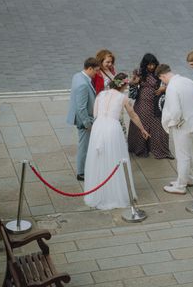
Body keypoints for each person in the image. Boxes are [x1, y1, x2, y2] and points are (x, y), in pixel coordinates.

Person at [84, 73, 147, 210]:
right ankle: (116, 193)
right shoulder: (123, 98)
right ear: (123, 85)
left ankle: (99, 192)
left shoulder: (100, 95)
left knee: (99, 158)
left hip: (98, 127)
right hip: (112, 128)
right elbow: (133, 115)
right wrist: (142, 129)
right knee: (115, 159)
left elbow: (95, 114)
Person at [157, 64, 193, 194]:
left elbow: (176, 111)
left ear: (163, 76)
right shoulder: (187, 81)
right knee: (189, 152)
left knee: (182, 155)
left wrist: (172, 122)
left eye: (162, 80)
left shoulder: (172, 87)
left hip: (182, 125)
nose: (163, 83)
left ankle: (180, 186)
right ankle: (188, 178)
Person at [127, 53, 173, 159]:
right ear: (145, 64)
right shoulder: (139, 72)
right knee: (141, 124)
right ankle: (140, 148)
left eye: (153, 64)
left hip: (156, 103)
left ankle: (160, 149)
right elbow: (132, 87)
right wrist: (134, 82)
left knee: (158, 127)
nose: (151, 67)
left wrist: (163, 89)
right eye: (149, 65)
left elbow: (171, 82)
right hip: (142, 103)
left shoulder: (160, 72)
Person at [67, 57, 100, 181]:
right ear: (90, 68)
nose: (96, 73)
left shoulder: (77, 76)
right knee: (84, 147)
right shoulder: (83, 84)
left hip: (83, 118)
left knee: (84, 145)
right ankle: (81, 173)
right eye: (96, 71)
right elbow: (81, 108)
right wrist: (88, 124)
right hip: (84, 121)